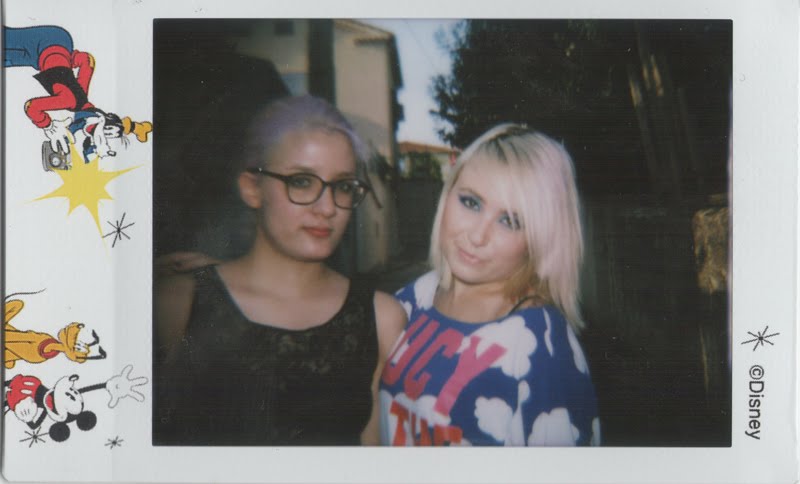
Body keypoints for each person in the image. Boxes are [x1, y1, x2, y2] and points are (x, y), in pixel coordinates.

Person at [153, 95, 406, 446]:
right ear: (252, 188)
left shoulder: (382, 319)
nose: (327, 208)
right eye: (302, 181)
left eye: (343, 186)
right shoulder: (176, 304)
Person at [378, 124, 600, 446]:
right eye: (471, 203)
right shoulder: (417, 295)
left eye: (509, 221)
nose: (478, 236)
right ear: (448, 193)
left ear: (540, 240)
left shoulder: (541, 346)